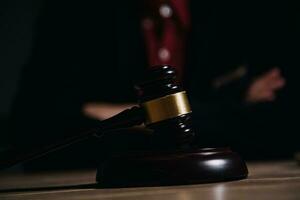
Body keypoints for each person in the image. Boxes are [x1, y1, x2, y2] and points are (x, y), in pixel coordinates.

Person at [9, 0, 298, 169]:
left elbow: (284, 124)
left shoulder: (248, 11)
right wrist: (228, 108)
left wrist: (126, 115)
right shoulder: (75, 13)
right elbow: (32, 127)